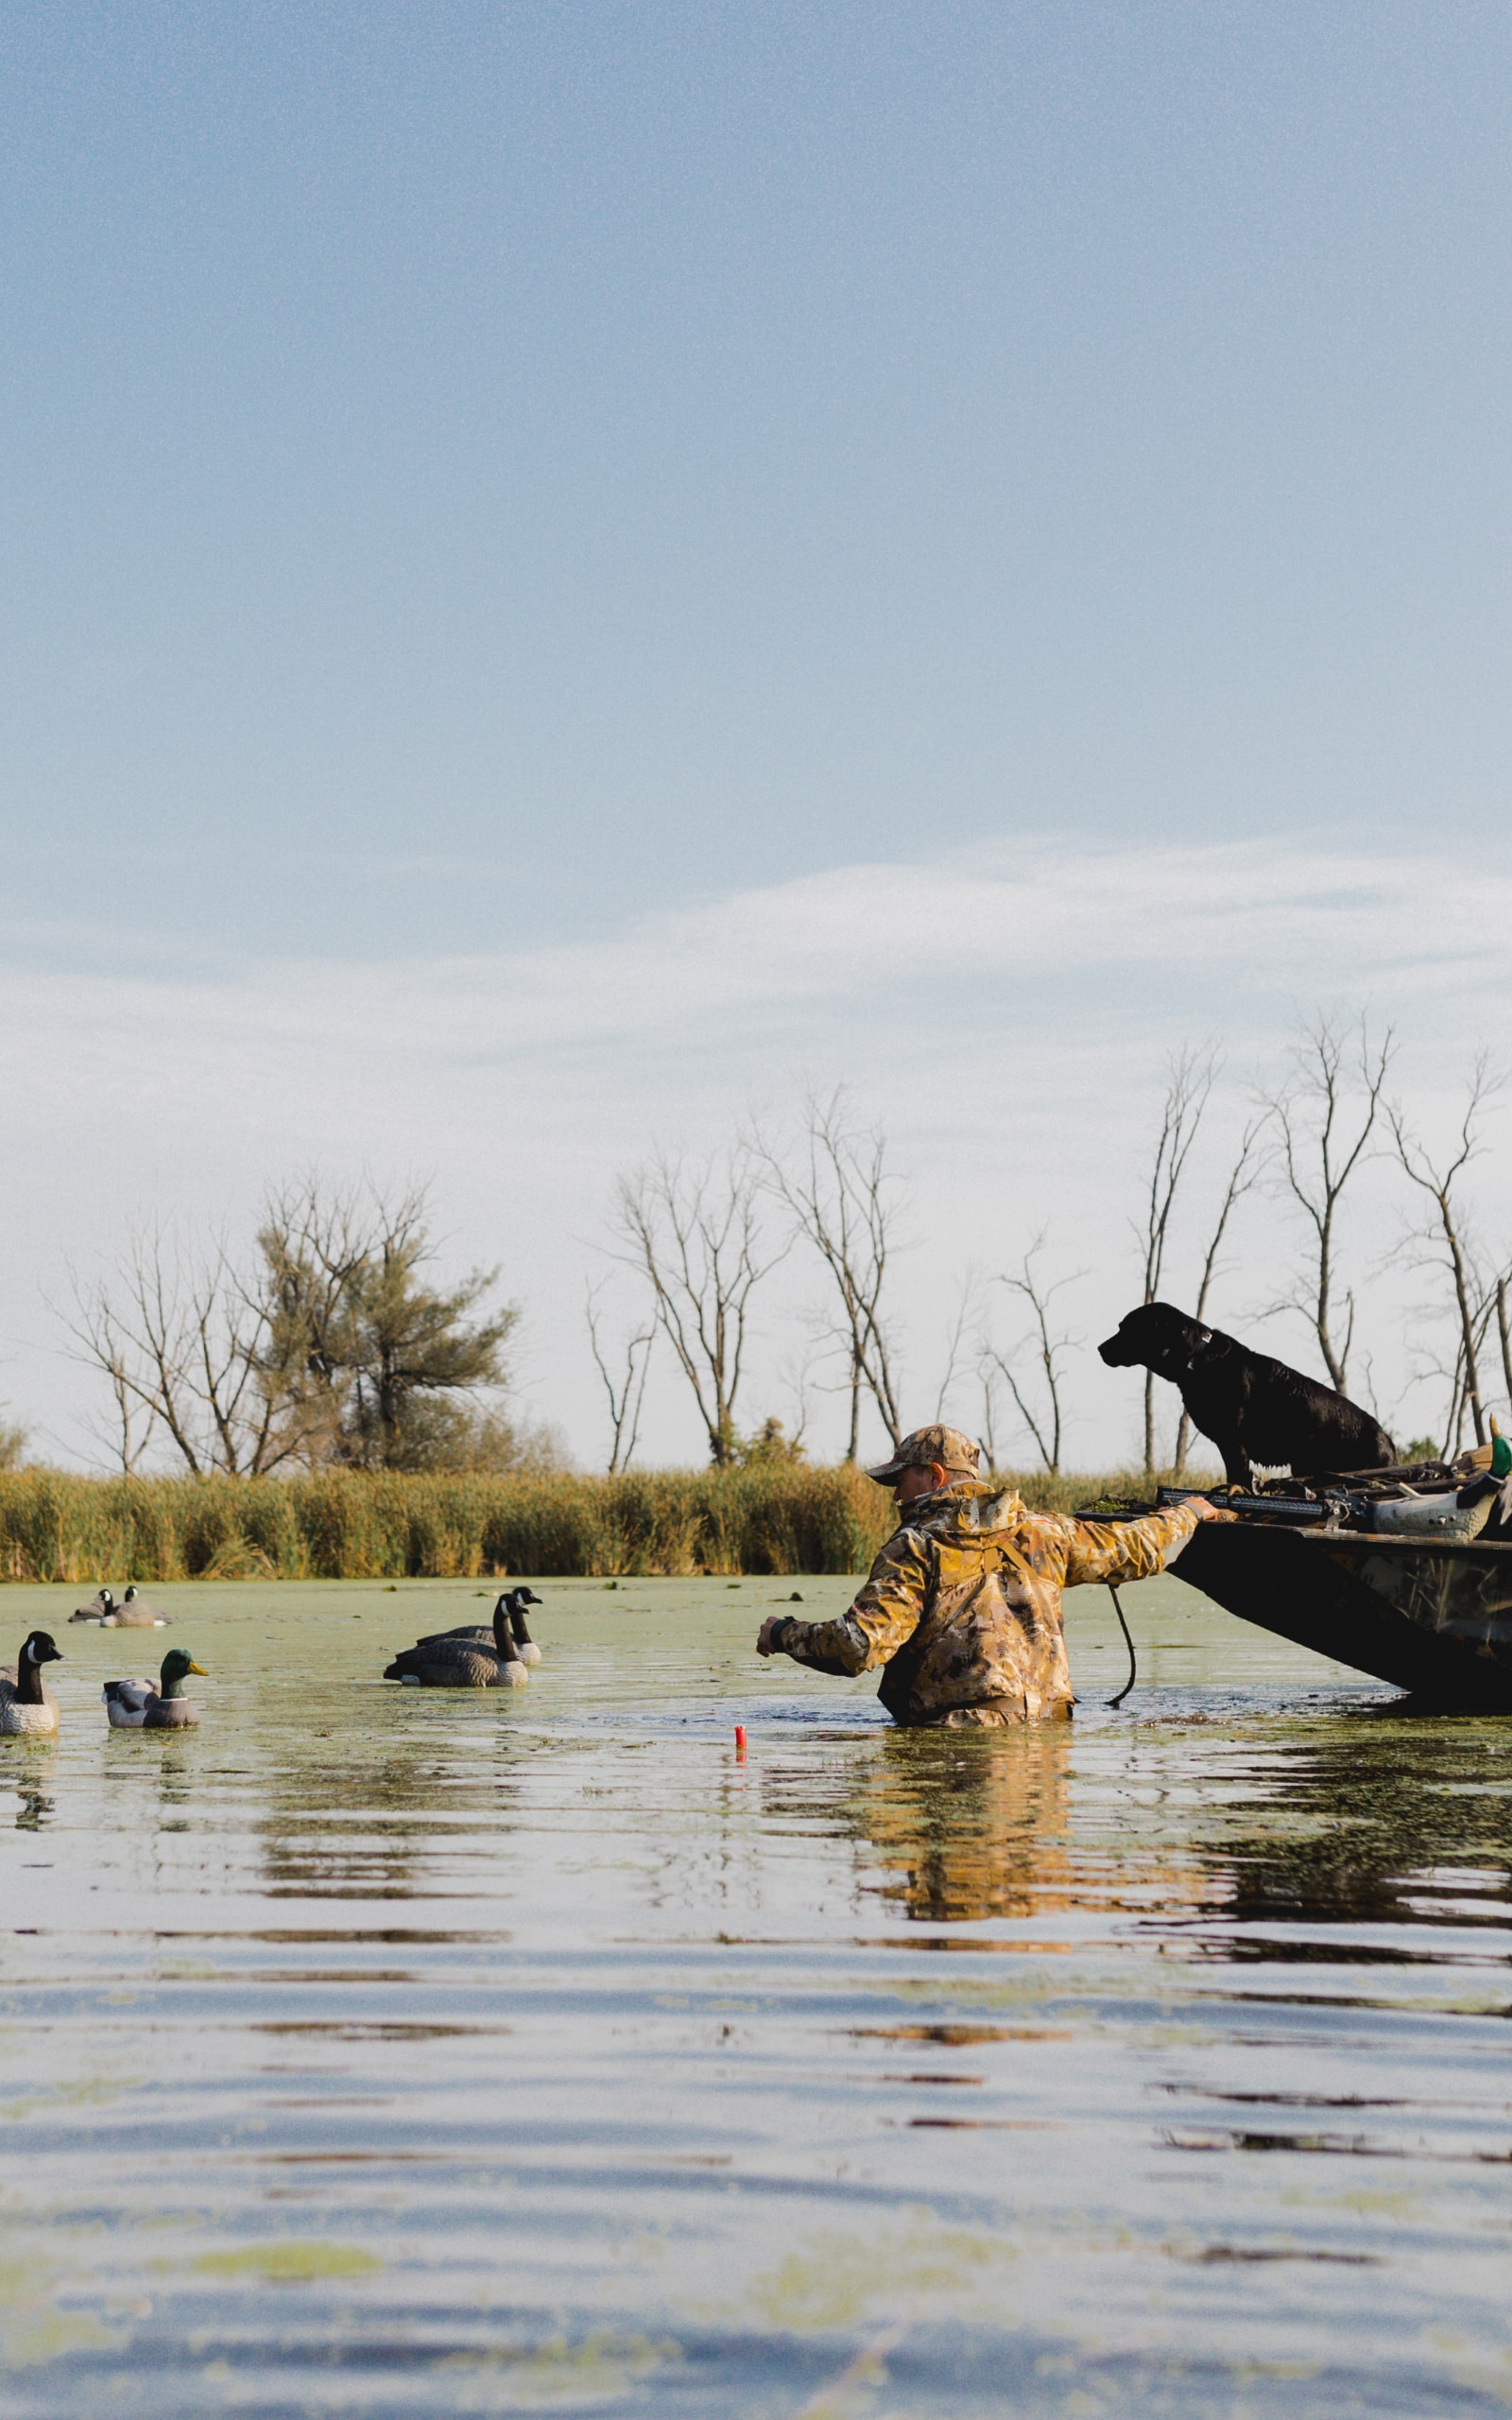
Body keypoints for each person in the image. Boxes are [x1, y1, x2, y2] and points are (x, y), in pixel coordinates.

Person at [755, 1425, 1225, 1727]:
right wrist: (1191, 1514)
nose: (895, 1493)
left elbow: (858, 1645)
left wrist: (783, 1633)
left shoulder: (916, 1546)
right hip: (1048, 1734)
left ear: (935, 1476)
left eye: (901, 1479)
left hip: (959, 1742)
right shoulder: (1048, 1532)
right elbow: (1138, 1545)